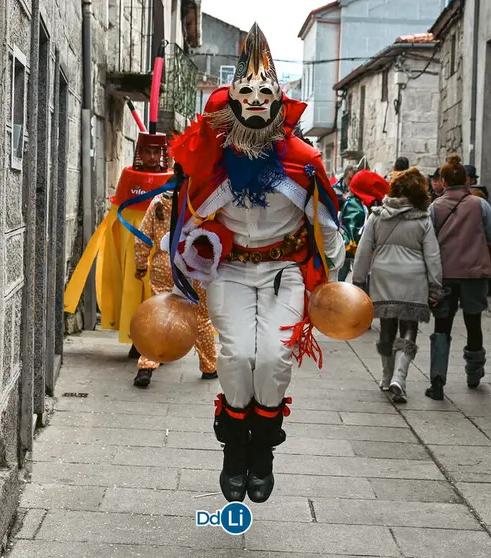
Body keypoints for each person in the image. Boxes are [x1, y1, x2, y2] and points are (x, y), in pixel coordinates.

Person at [166, 23, 343, 504]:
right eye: (248, 90)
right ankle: (233, 445)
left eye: (266, 91)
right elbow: (187, 215)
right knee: (238, 354)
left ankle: (262, 447)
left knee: (273, 356)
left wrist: (332, 277)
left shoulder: (303, 160)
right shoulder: (212, 161)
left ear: (279, 102)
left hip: (285, 269)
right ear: (233, 100)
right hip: (232, 269)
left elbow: (325, 221)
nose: (257, 99)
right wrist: (181, 265)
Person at [63, 133, 173, 357]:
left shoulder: (170, 178)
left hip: (161, 247)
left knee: (158, 292)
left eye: (156, 152)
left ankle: (156, 339)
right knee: (133, 287)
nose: (152, 157)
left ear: (162, 154)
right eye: (147, 152)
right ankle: (137, 338)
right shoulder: (128, 175)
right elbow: (117, 211)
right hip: (132, 242)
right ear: (139, 153)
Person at [351, 169, 443, 402]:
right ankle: (399, 378)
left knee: (387, 324)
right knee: (409, 325)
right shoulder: (423, 219)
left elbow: (363, 251)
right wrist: (435, 285)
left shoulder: (377, 215)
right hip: (413, 277)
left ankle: (385, 376)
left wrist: (359, 281)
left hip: (383, 276)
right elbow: (432, 256)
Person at [427, 155, 491, 400]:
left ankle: (437, 381)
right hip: (475, 274)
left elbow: (428, 244)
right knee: (473, 323)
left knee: (442, 326)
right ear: (466, 181)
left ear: (444, 180)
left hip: (445, 276)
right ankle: (474, 372)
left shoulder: (434, 207)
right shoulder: (480, 205)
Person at [132, 191, 219, 387]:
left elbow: (142, 237)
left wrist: (141, 264)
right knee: (200, 317)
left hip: (164, 263)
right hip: (194, 265)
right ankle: (209, 366)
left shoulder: (159, 201)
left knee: (157, 313)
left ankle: (147, 363)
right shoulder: (204, 201)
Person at [337, 169, 390, 282]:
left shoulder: (357, 203)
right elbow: (354, 230)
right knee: (341, 284)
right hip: (350, 252)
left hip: (355, 253)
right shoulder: (355, 204)